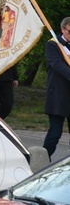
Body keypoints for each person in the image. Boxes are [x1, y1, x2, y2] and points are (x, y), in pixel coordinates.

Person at [42, 18, 70, 158]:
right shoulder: (53, 45)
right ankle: (43, 160)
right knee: (55, 133)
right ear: (63, 29)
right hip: (58, 95)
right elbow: (57, 65)